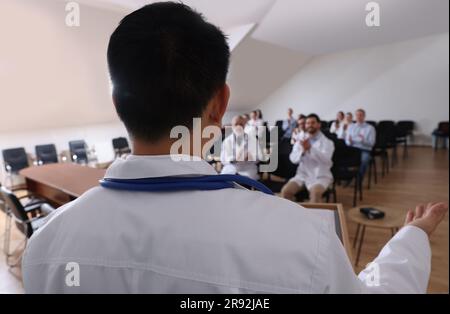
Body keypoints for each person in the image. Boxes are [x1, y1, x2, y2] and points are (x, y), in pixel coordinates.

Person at [22, 2, 448, 294]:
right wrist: (410, 239)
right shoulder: (301, 238)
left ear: (117, 105)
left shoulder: (45, 245)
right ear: (221, 104)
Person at [281, 114, 335, 203]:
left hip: (320, 176)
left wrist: (310, 148)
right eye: (308, 123)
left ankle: (313, 217)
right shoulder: (301, 140)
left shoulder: (328, 142)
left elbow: (326, 160)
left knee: (315, 194)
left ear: (319, 125)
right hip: (302, 175)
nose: (310, 125)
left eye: (313, 123)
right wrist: (302, 151)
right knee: (285, 192)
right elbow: (293, 159)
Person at [221, 115, 265, 180]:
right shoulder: (227, 141)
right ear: (232, 126)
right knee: (224, 181)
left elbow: (259, 157)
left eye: (241, 124)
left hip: (248, 169)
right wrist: (235, 159)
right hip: (231, 168)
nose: (238, 126)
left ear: (244, 125)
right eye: (236, 124)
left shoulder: (253, 140)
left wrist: (250, 157)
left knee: (245, 182)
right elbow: (223, 160)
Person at [346, 109, 376, 183]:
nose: (359, 117)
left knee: (364, 160)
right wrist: (349, 141)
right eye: (357, 115)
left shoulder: (370, 128)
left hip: (364, 149)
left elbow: (372, 143)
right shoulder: (351, 127)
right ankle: (347, 177)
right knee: (341, 157)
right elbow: (347, 140)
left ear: (364, 116)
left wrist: (363, 141)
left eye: (361, 115)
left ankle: (359, 178)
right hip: (352, 148)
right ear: (355, 117)